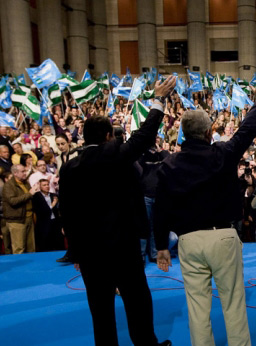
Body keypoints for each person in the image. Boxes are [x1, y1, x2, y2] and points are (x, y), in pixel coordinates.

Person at [153, 71, 256, 346]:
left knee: (198, 309)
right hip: (223, 238)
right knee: (233, 305)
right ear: (208, 132)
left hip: (189, 241)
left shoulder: (169, 165)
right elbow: (247, 130)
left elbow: (161, 208)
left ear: (183, 134)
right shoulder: (222, 154)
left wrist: (160, 246)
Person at [59, 76, 176, 346]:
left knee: (100, 311)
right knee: (138, 301)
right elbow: (146, 134)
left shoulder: (69, 169)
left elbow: (67, 215)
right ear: (109, 136)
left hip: (89, 253)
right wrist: (158, 99)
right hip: (123, 248)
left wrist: (74, 251)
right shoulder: (116, 155)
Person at [2, 164, 38, 254]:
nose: (25, 173)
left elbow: (30, 195)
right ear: (15, 173)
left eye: (25, 171)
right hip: (17, 221)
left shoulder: (25, 183)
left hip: (29, 218)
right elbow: (12, 201)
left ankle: (33, 267)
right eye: (22, 171)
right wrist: (30, 194)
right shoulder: (8, 186)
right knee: (19, 249)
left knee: (31, 248)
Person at [32, 178, 64, 251]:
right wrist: (52, 205)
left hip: (55, 222)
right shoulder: (37, 196)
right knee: (46, 245)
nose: (47, 186)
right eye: (44, 185)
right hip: (44, 224)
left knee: (58, 243)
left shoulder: (54, 195)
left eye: (47, 184)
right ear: (40, 187)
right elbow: (41, 211)